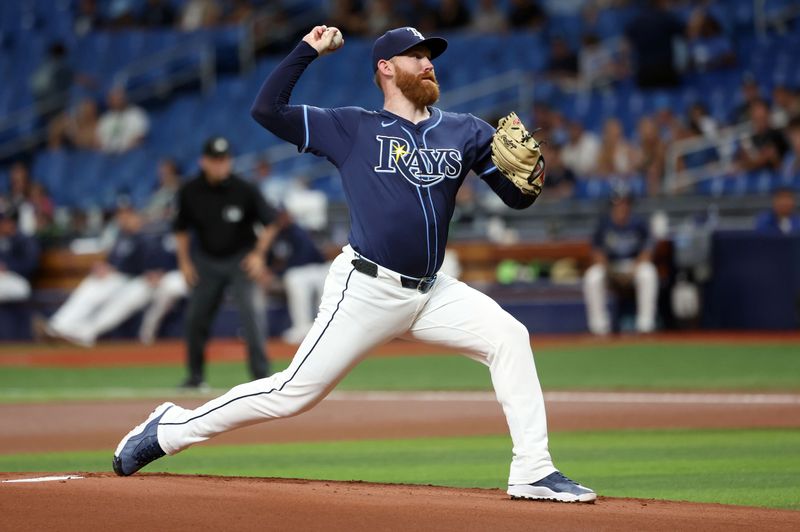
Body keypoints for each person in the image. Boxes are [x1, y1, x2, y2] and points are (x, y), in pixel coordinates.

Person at [112, 25, 596, 504]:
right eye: (416, 56)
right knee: (292, 394)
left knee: (510, 337)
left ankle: (533, 470)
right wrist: (306, 50)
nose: (429, 63)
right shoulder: (351, 127)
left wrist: (533, 174)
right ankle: (171, 428)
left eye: (431, 56)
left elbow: (515, 198)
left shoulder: (466, 129)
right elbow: (267, 110)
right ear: (386, 68)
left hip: (431, 292)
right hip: (366, 288)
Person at [172, 136, 280, 389]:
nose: (221, 165)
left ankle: (261, 378)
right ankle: (195, 377)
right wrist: (185, 263)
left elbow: (272, 222)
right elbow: (180, 229)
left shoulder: (244, 189)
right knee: (196, 319)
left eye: (225, 160)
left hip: (240, 260)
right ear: (204, 162)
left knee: (252, 316)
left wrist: (258, 254)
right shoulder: (189, 191)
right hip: (207, 261)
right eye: (216, 160)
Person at [34, 205, 148, 346]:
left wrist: (114, 270)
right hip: (115, 279)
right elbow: (112, 260)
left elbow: (146, 265)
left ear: (136, 217)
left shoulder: (145, 237)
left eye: (127, 215)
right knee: (90, 286)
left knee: (111, 302)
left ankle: (80, 333)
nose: (123, 219)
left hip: (133, 280)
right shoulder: (122, 237)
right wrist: (104, 267)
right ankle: (58, 326)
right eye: (120, 216)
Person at [583, 192, 658, 335]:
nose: (621, 207)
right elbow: (597, 252)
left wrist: (634, 270)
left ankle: (645, 325)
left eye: (624, 204)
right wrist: (610, 272)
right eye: (617, 205)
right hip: (611, 266)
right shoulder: (604, 224)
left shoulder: (639, 223)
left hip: (634, 265)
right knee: (593, 277)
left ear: (629, 206)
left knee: (648, 273)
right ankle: (599, 328)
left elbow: (647, 250)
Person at [267, 211, 331, 344]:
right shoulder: (275, 234)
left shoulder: (297, 232)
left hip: (316, 269)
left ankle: (326, 330)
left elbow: (303, 257)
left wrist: (279, 272)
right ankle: (302, 329)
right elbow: (273, 258)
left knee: (324, 302)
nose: (283, 220)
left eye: (285, 216)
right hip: (299, 273)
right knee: (295, 281)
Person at [0, 207, 40, 304]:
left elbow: (30, 265)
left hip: (19, 280)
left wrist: (7, 267)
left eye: (4, 222)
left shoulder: (25, 241)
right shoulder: (3, 239)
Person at [96, 86, 149, 153]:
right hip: (108, 156)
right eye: (113, 98)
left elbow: (141, 138)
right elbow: (98, 142)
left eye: (119, 97)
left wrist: (122, 150)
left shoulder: (137, 114)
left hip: (131, 153)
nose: (117, 100)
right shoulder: (105, 119)